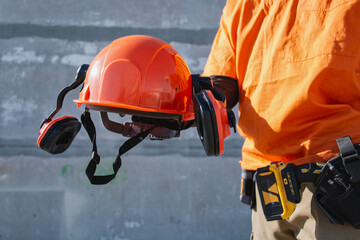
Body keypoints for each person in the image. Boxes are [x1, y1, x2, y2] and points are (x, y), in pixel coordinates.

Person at [202, 0, 360, 239]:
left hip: (340, 184)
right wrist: (175, 100)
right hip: (269, 189)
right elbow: (223, 82)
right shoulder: (241, 4)